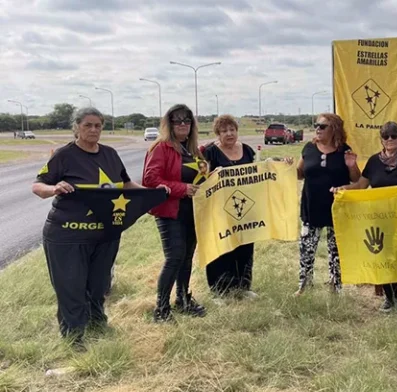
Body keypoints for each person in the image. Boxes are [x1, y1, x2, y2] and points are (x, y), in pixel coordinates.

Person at [32, 107, 160, 349]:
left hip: (105, 234)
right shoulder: (64, 156)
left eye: (97, 126)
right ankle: (74, 336)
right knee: (71, 287)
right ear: (77, 128)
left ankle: (97, 322)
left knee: (99, 285)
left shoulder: (110, 154)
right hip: (67, 235)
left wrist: (152, 194)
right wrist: (54, 188)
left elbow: (125, 183)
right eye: (87, 125)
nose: (93, 130)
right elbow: (38, 186)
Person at [332, 121, 397, 313]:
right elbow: (361, 186)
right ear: (381, 140)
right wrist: (342, 190)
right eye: (386, 136)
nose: (390, 139)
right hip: (380, 219)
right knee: (383, 256)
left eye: (394, 135)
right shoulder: (374, 161)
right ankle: (390, 298)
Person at [143, 104, 207, 322]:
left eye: (186, 120)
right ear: (168, 124)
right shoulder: (160, 148)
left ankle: (183, 300)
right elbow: (151, 180)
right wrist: (183, 188)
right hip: (170, 211)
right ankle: (161, 309)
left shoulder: (193, 149)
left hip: (192, 212)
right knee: (174, 257)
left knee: (187, 257)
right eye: (177, 120)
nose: (182, 124)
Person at [295, 113, 360, 296]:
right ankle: (304, 285)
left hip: (337, 209)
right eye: (316, 125)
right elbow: (300, 173)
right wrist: (286, 168)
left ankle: (335, 286)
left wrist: (352, 165)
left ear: (334, 129)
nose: (318, 128)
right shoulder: (309, 148)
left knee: (336, 251)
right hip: (311, 206)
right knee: (307, 248)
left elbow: (356, 180)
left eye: (322, 126)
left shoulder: (344, 150)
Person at [199, 115, 258, 299]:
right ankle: (219, 290)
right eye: (224, 131)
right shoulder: (209, 152)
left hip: (245, 208)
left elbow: (258, 173)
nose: (229, 134)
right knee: (222, 248)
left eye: (232, 130)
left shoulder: (247, 150)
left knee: (244, 247)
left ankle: (242, 286)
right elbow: (201, 179)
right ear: (218, 133)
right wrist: (211, 175)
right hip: (219, 210)